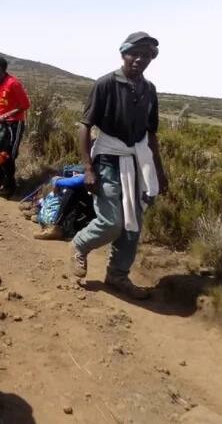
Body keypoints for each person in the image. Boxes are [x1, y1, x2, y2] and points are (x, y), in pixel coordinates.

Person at [70, 32, 168, 300]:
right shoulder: (105, 84)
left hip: (137, 160)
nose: (140, 59)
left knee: (133, 222)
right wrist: (88, 168)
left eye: (146, 55)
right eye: (134, 53)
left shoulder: (149, 90)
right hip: (108, 159)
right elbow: (84, 125)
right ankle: (80, 244)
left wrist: (159, 171)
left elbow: (151, 133)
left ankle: (117, 275)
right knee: (112, 222)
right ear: (123, 53)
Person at [0, 57, 31, 198]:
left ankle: (10, 187)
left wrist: (6, 116)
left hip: (14, 125)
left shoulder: (13, 84)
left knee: (7, 156)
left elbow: (25, 105)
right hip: (0, 125)